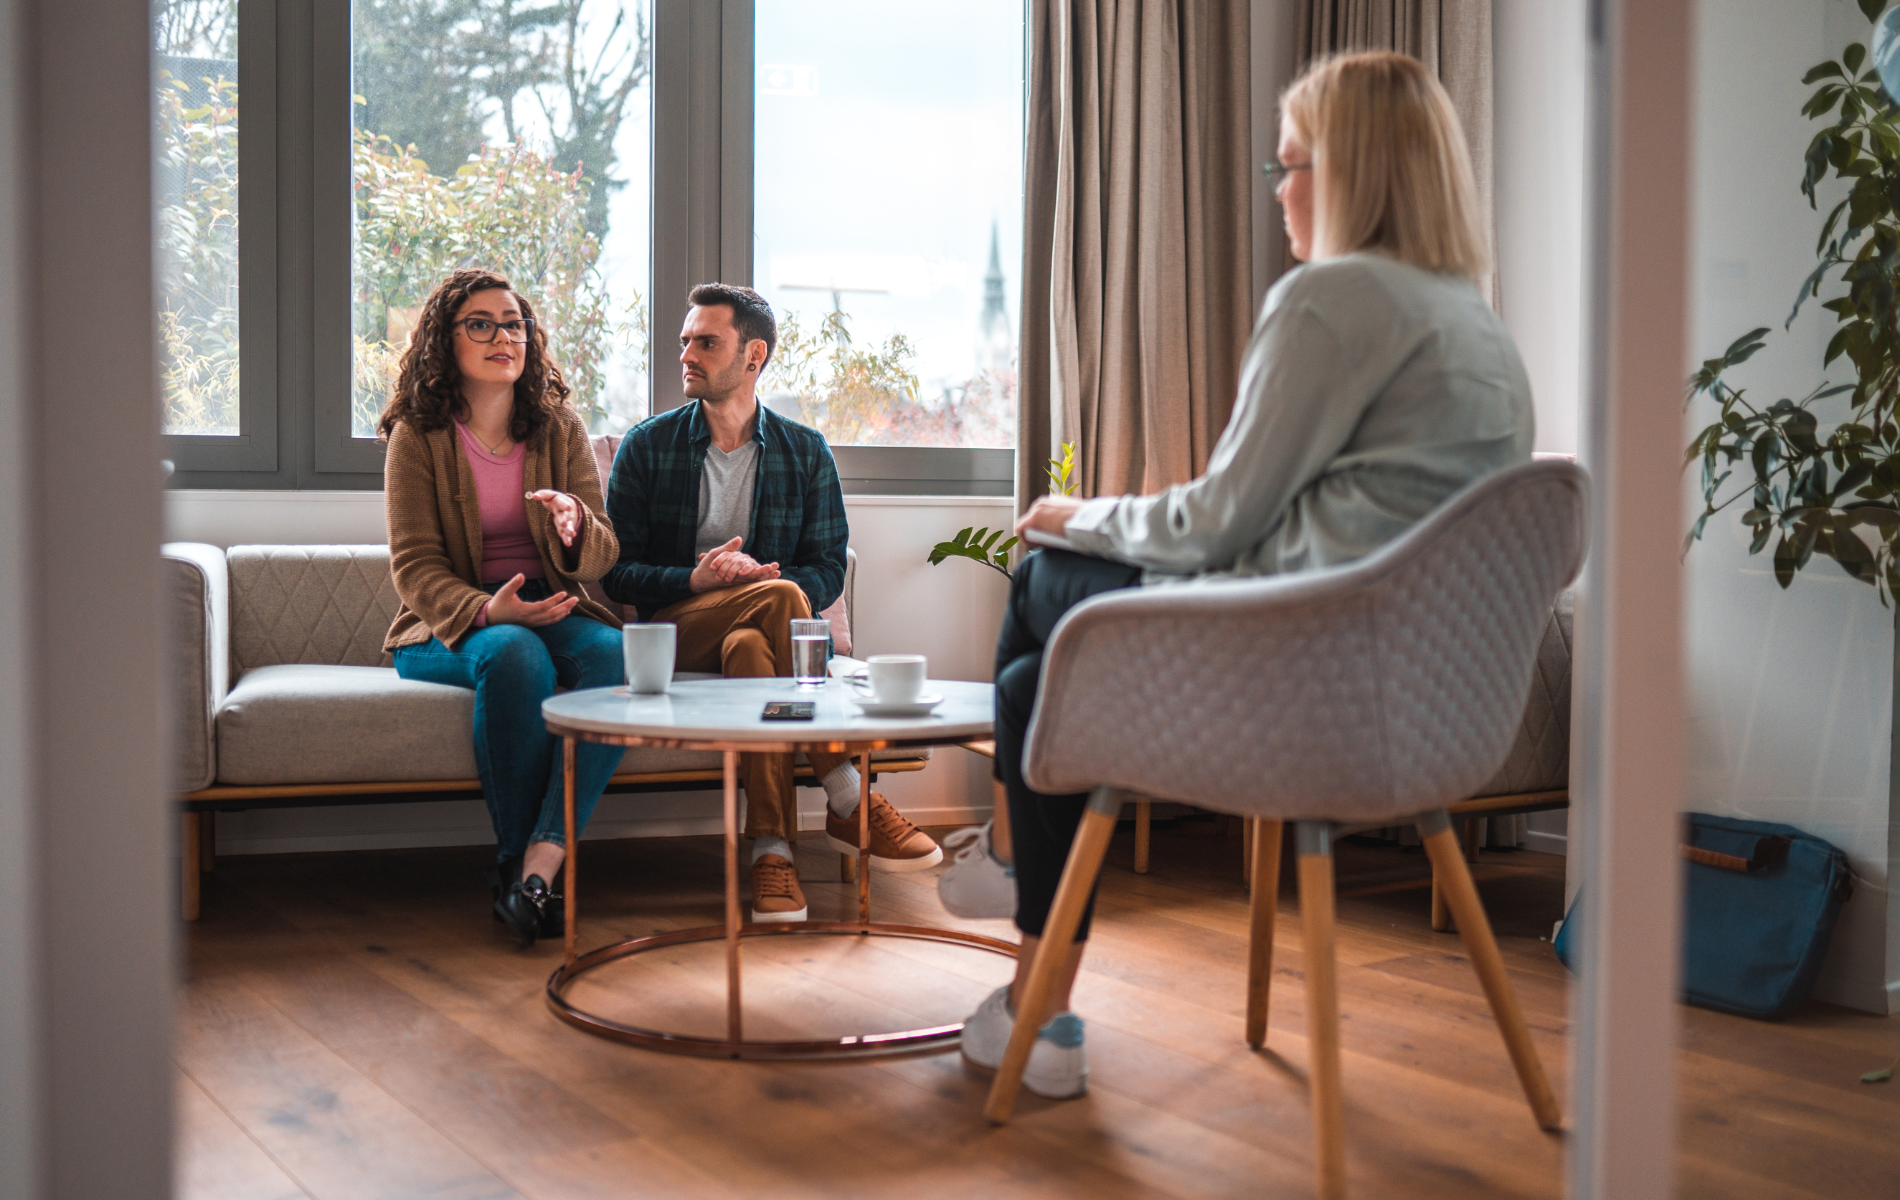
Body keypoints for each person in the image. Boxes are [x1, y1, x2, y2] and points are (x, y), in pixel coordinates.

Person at [945, 51, 1536, 1099]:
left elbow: (1218, 522)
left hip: (1297, 683)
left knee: (1039, 586)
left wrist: (1080, 513)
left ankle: (1019, 898)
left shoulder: (1330, 299)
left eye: (1290, 166)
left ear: (1350, 174)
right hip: (1427, 711)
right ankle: (1040, 1001)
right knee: (1039, 685)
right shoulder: (1479, 326)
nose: (1277, 192)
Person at [603, 283, 942, 924]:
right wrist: (697, 580)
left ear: (753, 355)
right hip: (678, 630)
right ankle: (847, 792)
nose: (687, 355)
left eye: (706, 342)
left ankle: (772, 853)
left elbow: (828, 567)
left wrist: (760, 587)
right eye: (685, 341)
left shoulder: (805, 450)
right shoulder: (648, 446)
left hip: (761, 641)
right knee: (780, 596)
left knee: (752, 645)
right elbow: (617, 574)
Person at [379, 268, 626, 946]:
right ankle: (521, 872)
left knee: (614, 656)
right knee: (515, 655)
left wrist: (576, 524)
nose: (502, 337)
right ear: (446, 340)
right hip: (450, 623)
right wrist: (490, 613)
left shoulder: (558, 426)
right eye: (481, 324)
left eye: (513, 324)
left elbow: (602, 554)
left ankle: (541, 862)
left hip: (550, 605)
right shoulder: (417, 434)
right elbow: (415, 566)